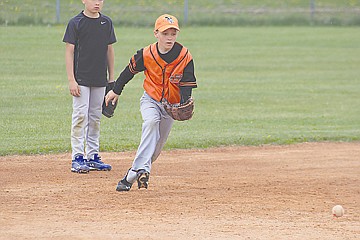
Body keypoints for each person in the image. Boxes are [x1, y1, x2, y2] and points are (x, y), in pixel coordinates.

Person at [105, 14, 197, 191]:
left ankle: (131, 176)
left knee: (154, 152)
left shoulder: (184, 56)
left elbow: (187, 83)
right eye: (165, 33)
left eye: (173, 33)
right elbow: (128, 71)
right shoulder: (147, 54)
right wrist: (116, 90)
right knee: (151, 121)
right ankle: (144, 170)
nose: (169, 38)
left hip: (171, 107)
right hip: (150, 100)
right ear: (156, 33)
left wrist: (183, 102)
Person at [63, 0, 116, 173]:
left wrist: (111, 79)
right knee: (80, 116)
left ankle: (93, 156)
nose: (97, 3)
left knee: (95, 117)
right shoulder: (76, 23)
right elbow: (69, 52)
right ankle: (77, 157)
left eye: (100, 0)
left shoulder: (106, 22)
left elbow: (109, 50)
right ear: (84, 1)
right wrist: (72, 80)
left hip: (100, 79)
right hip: (81, 79)